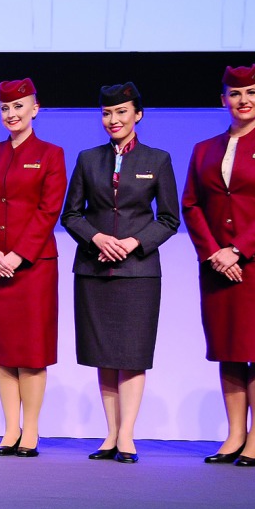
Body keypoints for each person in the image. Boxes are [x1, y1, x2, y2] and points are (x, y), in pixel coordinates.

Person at [181, 64, 255, 467]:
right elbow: (191, 205)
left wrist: (239, 250)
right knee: (229, 347)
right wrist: (215, 252)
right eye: (235, 94)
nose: (243, 100)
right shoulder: (204, 149)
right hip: (215, 264)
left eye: (250, 93)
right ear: (223, 100)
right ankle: (233, 435)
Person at [60, 82, 179, 464]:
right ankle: (109, 434)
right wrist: (95, 237)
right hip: (94, 270)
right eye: (108, 113)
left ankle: (127, 435)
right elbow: (71, 214)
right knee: (104, 355)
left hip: (138, 271)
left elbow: (169, 219)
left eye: (122, 112)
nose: (114, 120)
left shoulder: (157, 159)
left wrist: (133, 243)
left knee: (132, 355)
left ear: (137, 115)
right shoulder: (87, 158)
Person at [0, 78, 66, 458]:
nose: (12, 114)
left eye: (19, 107)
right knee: (4, 350)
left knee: (31, 351)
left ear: (35, 109)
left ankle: (32, 431)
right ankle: (10, 429)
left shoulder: (51, 153)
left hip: (33, 267)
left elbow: (48, 210)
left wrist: (18, 255)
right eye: (6, 108)